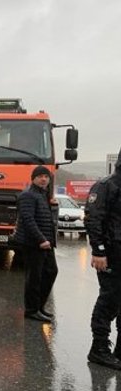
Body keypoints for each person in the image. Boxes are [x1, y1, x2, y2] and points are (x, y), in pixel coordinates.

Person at [84, 148, 121, 369]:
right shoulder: (107, 185)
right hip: (111, 252)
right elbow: (93, 219)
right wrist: (98, 251)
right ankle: (98, 348)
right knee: (109, 299)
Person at [11, 165, 58, 322]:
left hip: (47, 242)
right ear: (33, 179)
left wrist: (49, 240)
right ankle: (31, 310)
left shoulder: (43, 195)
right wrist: (41, 240)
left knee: (51, 271)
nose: (44, 179)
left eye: (46, 176)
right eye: (40, 176)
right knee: (34, 277)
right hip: (33, 243)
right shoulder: (28, 195)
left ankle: (39, 306)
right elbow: (28, 219)